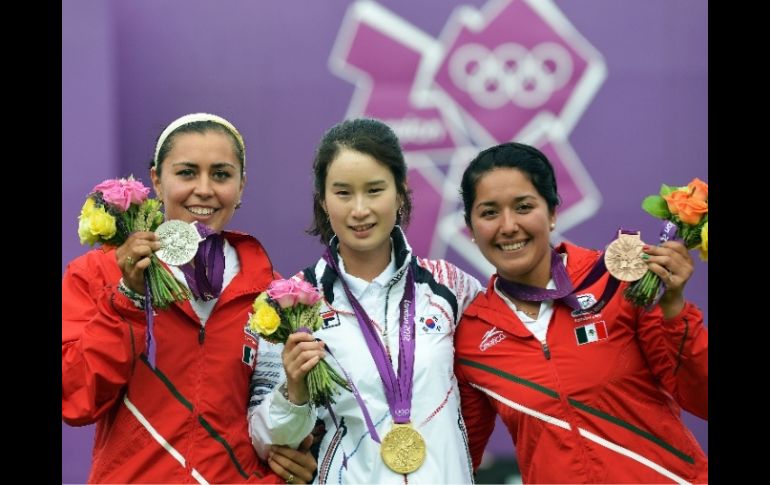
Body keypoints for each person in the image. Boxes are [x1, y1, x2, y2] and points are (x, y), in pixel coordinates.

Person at [62, 113, 317, 484]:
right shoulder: (100, 272)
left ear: (241, 186)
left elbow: (275, 431)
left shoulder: (274, 299)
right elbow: (76, 398)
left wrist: (294, 466)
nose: (204, 189)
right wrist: (129, 297)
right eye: (186, 173)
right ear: (156, 181)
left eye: (221, 174)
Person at [453, 142, 708, 483]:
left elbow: (702, 397)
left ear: (554, 213)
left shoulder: (616, 281)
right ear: (471, 228)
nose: (508, 225)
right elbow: (457, 455)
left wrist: (674, 308)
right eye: (488, 213)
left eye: (524, 206)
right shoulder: (472, 335)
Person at [247, 118, 484, 483]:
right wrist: (293, 390)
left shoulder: (452, 288)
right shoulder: (292, 305)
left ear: (400, 192)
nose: (359, 210)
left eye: (375, 190)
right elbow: (267, 440)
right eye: (343, 193)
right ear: (324, 201)